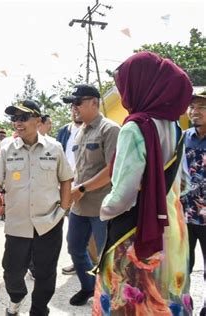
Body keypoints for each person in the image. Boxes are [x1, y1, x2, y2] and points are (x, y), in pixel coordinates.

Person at [92, 51, 193, 315]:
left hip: (138, 232)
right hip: (173, 228)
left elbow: (123, 196)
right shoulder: (175, 128)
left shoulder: (134, 129)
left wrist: (104, 210)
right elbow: (184, 183)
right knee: (166, 296)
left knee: (133, 300)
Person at [0, 100, 73, 315]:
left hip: (49, 222)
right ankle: (16, 298)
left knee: (45, 273)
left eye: (23, 118)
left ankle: (39, 309)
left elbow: (66, 180)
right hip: (17, 225)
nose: (17, 123)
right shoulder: (7, 150)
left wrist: (63, 209)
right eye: (14, 118)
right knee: (12, 272)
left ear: (37, 120)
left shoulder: (55, 147)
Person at [62, 84, 120, 306]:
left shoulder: (110, 129)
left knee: (107, 255)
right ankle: (89, 287)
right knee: (75, 248)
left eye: (78, 102)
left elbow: (112, 169)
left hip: (101, 206)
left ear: (94, 102)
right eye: (72, 104)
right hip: (79, 205)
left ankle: (109, 294)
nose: (74, 108)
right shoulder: (79, 132)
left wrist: (83, 188)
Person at [181, 90, 206, 315]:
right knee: (182, 267)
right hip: (184, 216)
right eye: (192, 107)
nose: (194, 111)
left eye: (201, 107)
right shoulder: (183, 138)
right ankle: (185, 307)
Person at [56, 105, 84, 276]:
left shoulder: (93, 129)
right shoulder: (64, 130)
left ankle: (90, 263)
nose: (75, 111)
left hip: (85, 185)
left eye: (78, 107)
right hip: (65, 185)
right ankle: (76, 261)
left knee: (85, 226)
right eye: (73, 108)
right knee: (66, 224)